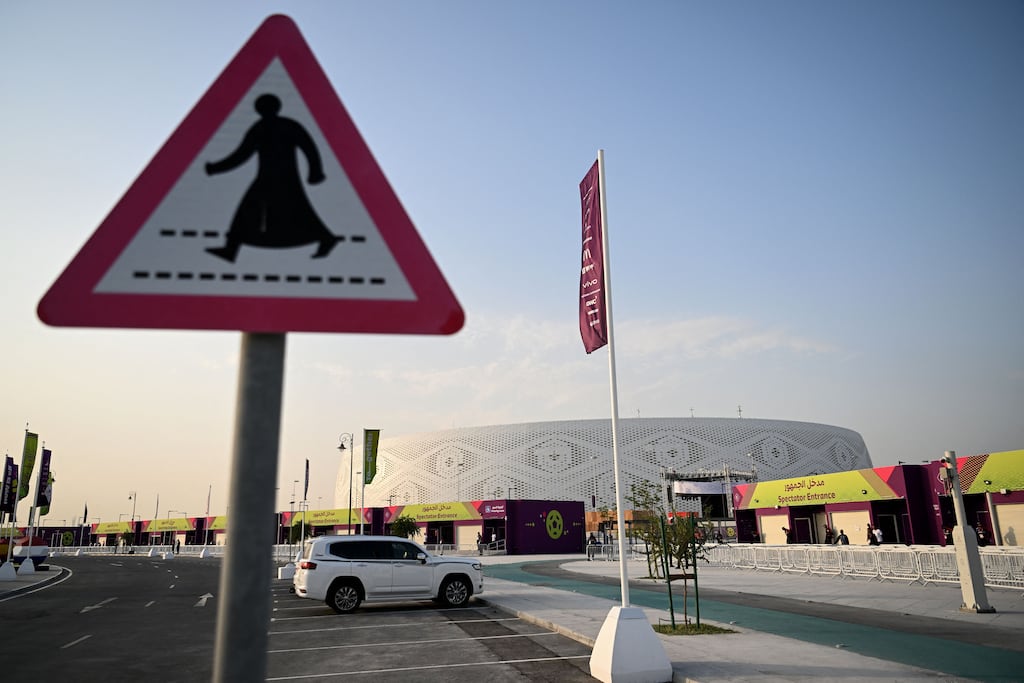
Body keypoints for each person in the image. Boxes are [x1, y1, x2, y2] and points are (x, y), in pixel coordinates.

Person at [204, 93, 340, 263]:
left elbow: (308, 147)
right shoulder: (277, 126)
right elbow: (242, 154)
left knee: (253, 210)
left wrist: (315, 172)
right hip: (276, 178)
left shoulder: (267, 127)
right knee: (297, 211)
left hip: (275, 179)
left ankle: (231, 250)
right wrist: (315, 172)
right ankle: (326, 238)